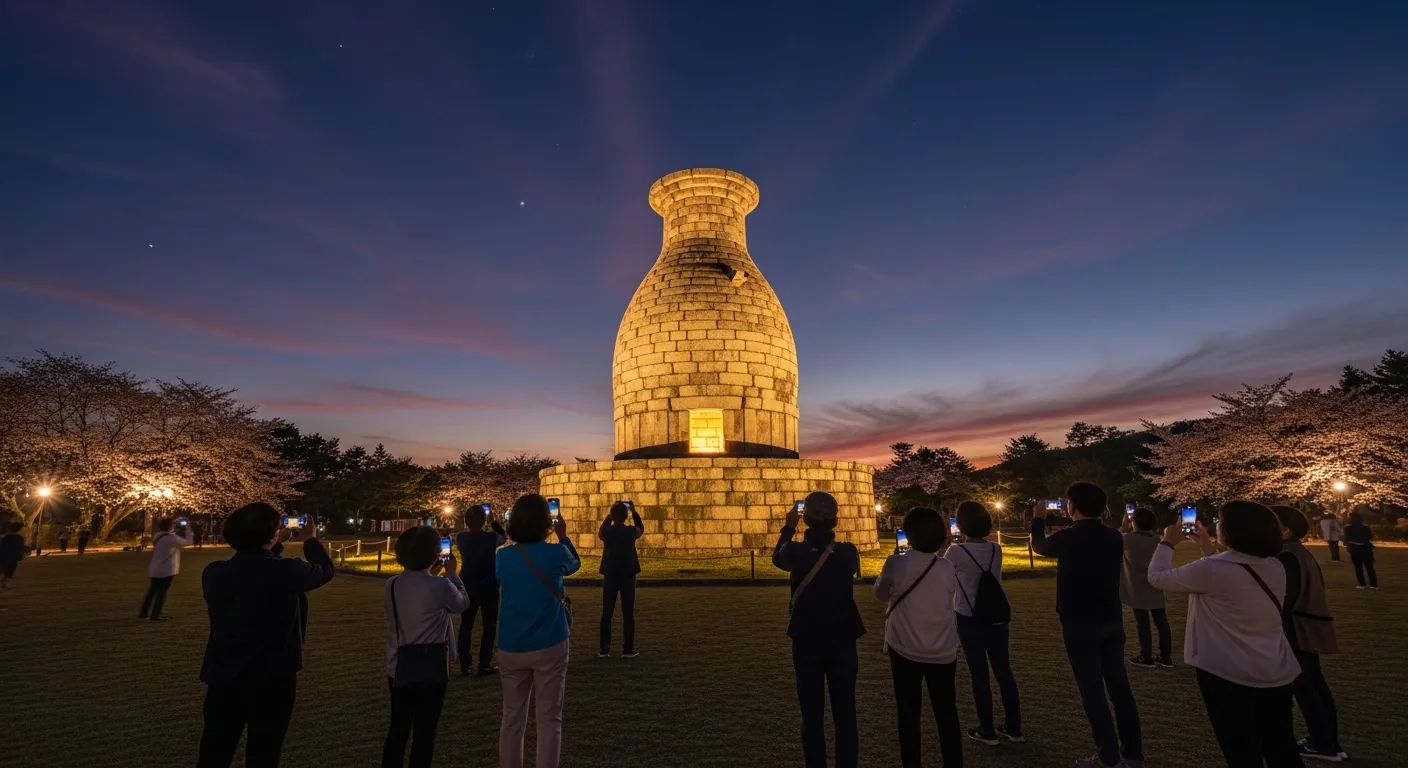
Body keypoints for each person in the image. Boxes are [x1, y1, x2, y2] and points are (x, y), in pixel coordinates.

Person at [1147, 501, 1302, 767]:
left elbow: (1157, 577)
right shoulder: (1274, 566)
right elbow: (1233, 570)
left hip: (1227, 673)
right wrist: (1206, 547)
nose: (1216, 525)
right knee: (1281, 746)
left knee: (1241, 749)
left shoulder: (1212, 569)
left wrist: (1167, 543)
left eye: (1221, 522)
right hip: (1274, 668)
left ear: (1233, 530)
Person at [197, 503, 335, 768]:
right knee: (264, 752)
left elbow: (255, 567)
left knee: (214, 751)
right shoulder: (287, 571)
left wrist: (273, 544)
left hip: (224, 673)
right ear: (272, 535)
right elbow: (324, 570)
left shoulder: (214, 573)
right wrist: (310, 540)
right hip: (273, 677)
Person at [1030, 483, 1142, 768]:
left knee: (1092, 690)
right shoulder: (1113, 537)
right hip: (1111, 617)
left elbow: (1040, 546)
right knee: (1119, 687)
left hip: (1079, 620)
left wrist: (1038, 519)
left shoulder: (1069, 537)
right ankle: (1132, 753)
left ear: (1073, 506)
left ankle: (1108, 756)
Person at [773, 491, 865, 768]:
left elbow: (778, 557)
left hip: (807, 639)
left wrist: (789, 526)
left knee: (811, 714)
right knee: (845, 712)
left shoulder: (795, 552)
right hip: (843, 639)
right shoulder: (848, 552)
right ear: (835, 520)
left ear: (806, 519)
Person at [495, 493, 580, 768]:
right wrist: (563, 535)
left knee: (511, 719)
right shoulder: (556, 553)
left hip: (511, 644)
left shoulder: (502, 556)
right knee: (549, 719)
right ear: (547, 522)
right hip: (550, 641)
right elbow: (574, 564)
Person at [875, 506, 962, 767]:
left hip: (904, 647)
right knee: (946, 712)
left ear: (908, 534)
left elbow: (880, 593)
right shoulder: (947, 567)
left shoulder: (896, 563)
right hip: (943, 649)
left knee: (908, 712)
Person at [382, 526, 471, 768]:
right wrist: (452, 574)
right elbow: (462, 603)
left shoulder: (391, 584)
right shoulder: (440, 586)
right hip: (431, 666)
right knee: (425, 731)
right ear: (434, 553)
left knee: (398, 727)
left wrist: (434, 575)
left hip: (398, 664)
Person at [946, 501, 1022, 746]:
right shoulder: (995, 549)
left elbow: (945, 577)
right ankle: (1014, 727)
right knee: (1004, 671)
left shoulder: (955, 552)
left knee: (979, 673)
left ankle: (986, 729)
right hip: (996, 615)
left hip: (969, 616)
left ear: (962, 525)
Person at [1272, 506, 1345, 763]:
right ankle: (1328, 741)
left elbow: (1285, 601)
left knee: (1306, 688)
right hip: (1304, 626)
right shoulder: (1297, 553)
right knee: (1314, 685)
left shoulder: (1287, 557)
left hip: (1295, 629)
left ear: (1284, 530)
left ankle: (1323, 743)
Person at [456, 504, 507, 677]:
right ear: (483, 520)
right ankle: (484, 663)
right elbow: (504, 536)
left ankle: (465, 665)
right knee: (489, 625)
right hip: (488, 585)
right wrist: (492, 522)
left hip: (468, 584)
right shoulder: (491, 538)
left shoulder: (461, 538)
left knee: (466, 624)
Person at [1120, 508, 1172, 668]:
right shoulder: (1157, 539)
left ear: (1134, 522)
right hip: (1156, 584)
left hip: (1137, 586)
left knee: (1142, 622)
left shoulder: (1128, 539)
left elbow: (1112, 541)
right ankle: (1165, 657)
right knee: (1161, 622)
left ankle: (1146, 656)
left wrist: (1123, 526)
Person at [598, 501, 644, 659]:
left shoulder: (606, 531)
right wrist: (634, 512)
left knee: (607, 613)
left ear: (612, 515)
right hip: (627, 575)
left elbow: (601, 530)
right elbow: (640, 529)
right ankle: (628, 649)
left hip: (611, 574)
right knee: (628, 613)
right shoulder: (631, 531)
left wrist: (609, 516)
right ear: (625, 516)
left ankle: (604, 649)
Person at [140, 518, 195, 621]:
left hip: (155, 568)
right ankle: (156, 614)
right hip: (167, 569)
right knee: (162, 592)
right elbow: (188, 542)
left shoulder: (158, 535)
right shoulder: (171, 538)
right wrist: (188, 528)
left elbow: (170, 536)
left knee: (152, 591)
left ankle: (144, 613)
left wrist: (175, 529)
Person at [1342, 513, 1377, 589]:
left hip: (1355, 549)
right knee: (1369, 567)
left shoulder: (1348, 528)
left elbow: (1346, 538)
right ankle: (1373, 584)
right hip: (1366, 548)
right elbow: (1369, 536)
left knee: (1358, 567)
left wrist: (1347, 545)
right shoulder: (1365, 528)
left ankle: (1362, 584)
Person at [0, 522, 26, 589]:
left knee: (4, 571)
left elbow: (2, 547)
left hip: (4, 558)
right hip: (13, 559)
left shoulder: (6, 538)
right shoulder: (19, 538)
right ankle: (6, 582)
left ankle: (4, 581)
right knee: (9, 572)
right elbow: (21, 548)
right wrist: (21, 555)